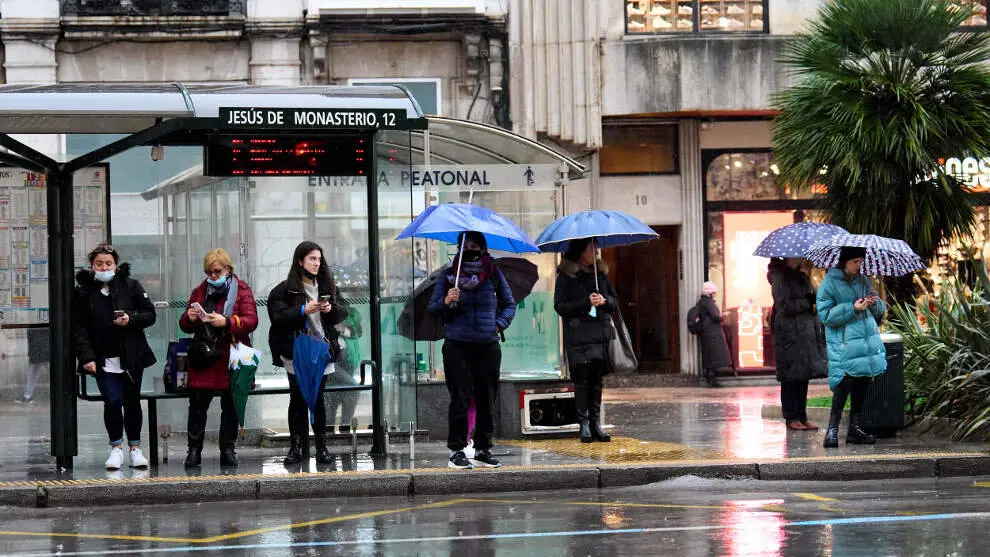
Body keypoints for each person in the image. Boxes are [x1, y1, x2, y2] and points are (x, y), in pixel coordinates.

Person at [428, 231, 516, 469]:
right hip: (457, 345)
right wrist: (447, 300)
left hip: (488, 345)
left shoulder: (494, 273)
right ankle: (457, 450)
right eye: (466, 246)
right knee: (460, 398)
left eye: (475, 246)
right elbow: (433, 308)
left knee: (487, 399)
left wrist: (498, 324)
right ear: (459, 248)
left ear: (483, 248)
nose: (471, 250)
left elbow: (509, 304)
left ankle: (482, 449)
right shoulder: (449, 275)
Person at [71, 244, 157, 471]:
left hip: (131, 357)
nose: (104, 267)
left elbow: (150, 314)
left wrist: (131, 318)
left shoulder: (131, 286)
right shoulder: (84, 292)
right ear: (92, 266)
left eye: (108, 263)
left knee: (132, 401)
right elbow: (78, 328)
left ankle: (135, 448)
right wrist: (86, 357)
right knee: (113, 400)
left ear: (116, 266)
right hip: (102, 359)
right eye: (99, 264)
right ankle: (116, 448)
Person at [268, 241, 349, 465]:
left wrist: (330, 309)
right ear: (300, 261)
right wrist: (303, 309)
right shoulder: (285, 289)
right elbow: (277, 317)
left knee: (318, 399)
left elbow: (343, 311)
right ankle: (295, 448)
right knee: (297, 399)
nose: (316, 263)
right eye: (312, 259)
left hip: (322, 351)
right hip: (296, 352)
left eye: (319, 259)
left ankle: (322, 448)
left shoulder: (327, 286)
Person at [179, 249, 258, 468]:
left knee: (232, 405)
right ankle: (194, 451)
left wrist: (227, 322)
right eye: (209, 272)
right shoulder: (199, 291)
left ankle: (228, 450)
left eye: (217, 271)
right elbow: (184, 325)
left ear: (228, 269)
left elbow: (252, 320)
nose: (213, 276)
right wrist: (190, 317)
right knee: (197, 406)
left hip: (233, 353)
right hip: (204, 354)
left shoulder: (242, 290)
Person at [817, 246, 887, 448]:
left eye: (860, 261)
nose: (859, 265)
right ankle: (832, 430)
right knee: (842, 385)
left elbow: (878, 311)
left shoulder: (864, 281)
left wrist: (874, 303)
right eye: (855, 261)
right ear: (844, 261)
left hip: (865, 343)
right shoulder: (829, 284)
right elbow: (826, 316)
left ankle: (854, 429)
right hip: (844, 343)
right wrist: (852, 308)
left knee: (862, 383)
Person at [554, 238, 617, 444]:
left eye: (597, 247)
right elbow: (560, 306)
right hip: (578, 336)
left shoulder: (600, 275)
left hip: (599, 335)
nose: (596, 251)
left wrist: (604, 301)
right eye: (592, 248)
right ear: (581, 251)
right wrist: (585, 302)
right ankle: (584, 423)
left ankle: (596, 423)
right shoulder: (566, 276)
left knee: (597, 382)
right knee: (581, 382)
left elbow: (614, 302)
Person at [768, 258, 828, 431]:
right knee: (790, 377)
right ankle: (791, 417)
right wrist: (808, 303)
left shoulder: (800, 276)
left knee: (803, 375)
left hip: (804, 333)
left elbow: (810, 295)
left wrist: (814, 298)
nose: (801, 258)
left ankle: (802, 416)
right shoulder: (779, 277)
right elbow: (784, 305)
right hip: (789, 334)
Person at [325, 305, 362, 432]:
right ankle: (338, 429)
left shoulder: (350, 320)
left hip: (345, 368)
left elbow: (358, 331)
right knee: (353, 388)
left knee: (344, 395)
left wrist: (344, 329)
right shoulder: (325, 319)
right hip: (330, 365)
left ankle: (344, 429)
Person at [697, 282, 732, 388]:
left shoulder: (701, 302)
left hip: (706, 331)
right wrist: (723, 316)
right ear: (710, 293)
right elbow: (715, 317)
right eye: (714, 292)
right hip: (712, 332)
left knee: (709, 355)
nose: (715, 294)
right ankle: (712, 378)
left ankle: (709, 375)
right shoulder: (709, 303)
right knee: (715, 355)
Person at [15, 327, 48, 404]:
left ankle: (27, 396)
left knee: (33, 372)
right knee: (32, 372)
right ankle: (27, 396)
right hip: (38, 350)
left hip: (42, 349)